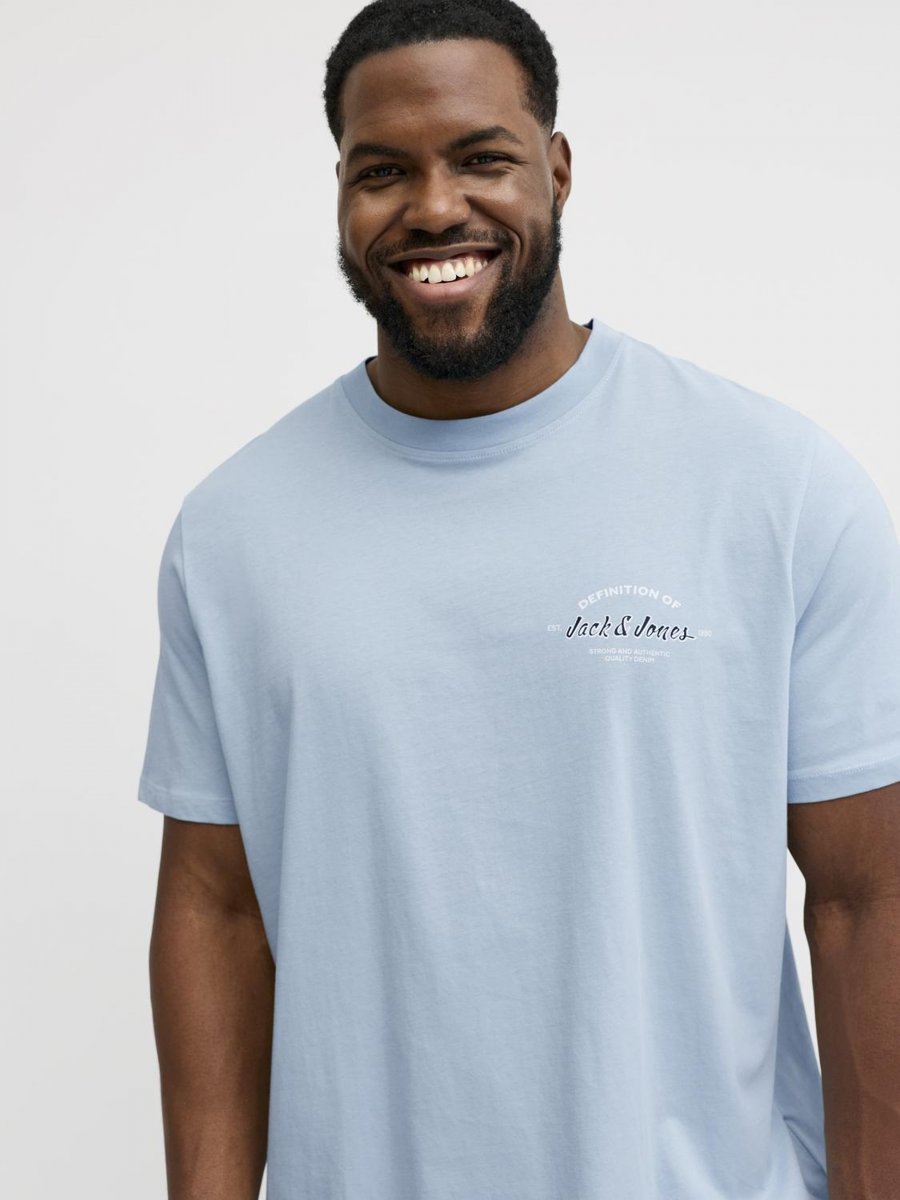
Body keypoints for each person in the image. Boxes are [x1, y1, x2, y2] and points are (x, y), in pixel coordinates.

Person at [137, 1, 900, 1197]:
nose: (435, 207)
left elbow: (867, 898)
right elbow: (217, 911)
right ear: (340, 195)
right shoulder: (235, 529)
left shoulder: (774, 486)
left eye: (481, 158)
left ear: (557, 168)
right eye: (383, 171)